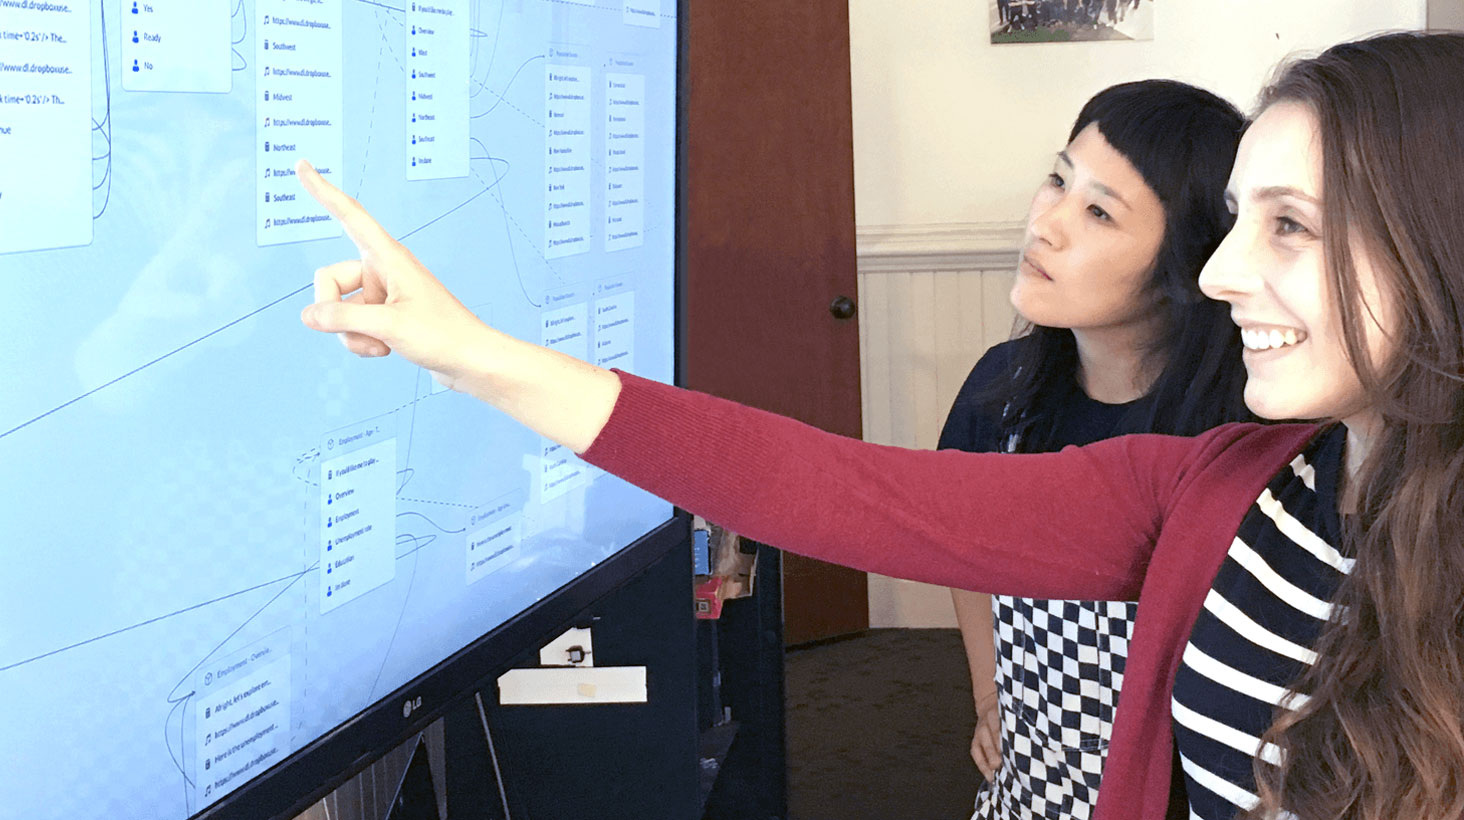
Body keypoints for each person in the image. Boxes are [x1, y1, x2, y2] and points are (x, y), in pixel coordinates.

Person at [295, 31, 1464, 820]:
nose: (1221, 276)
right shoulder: (1223, 488)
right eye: (1235, 221)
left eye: (1291, 228)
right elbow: (831, 489)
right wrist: (471, 351)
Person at [941, 79, 1250, 820]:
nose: (1045, 224)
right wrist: (990, 694)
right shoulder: (1001, 389)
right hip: (1035, 781)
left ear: (1187, 265)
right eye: (1057, 179)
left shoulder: (1235, 436)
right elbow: (959, 553)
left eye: (1100, 212)